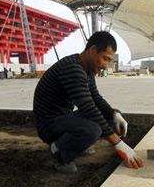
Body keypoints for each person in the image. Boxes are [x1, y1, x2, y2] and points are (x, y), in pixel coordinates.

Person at [33, 31, 144, 173]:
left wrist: (113, 113)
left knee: (110, 115)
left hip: (63, 119)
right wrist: (118, 143)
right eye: (105, 58)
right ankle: (58, 152)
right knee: (92, 130)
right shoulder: (73, 69)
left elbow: (95, 98)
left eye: (109, 60)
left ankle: (75, 144)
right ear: (92, 50)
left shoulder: (87, 69)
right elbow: (88, 107)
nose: (106, 65)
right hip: (49, 124)